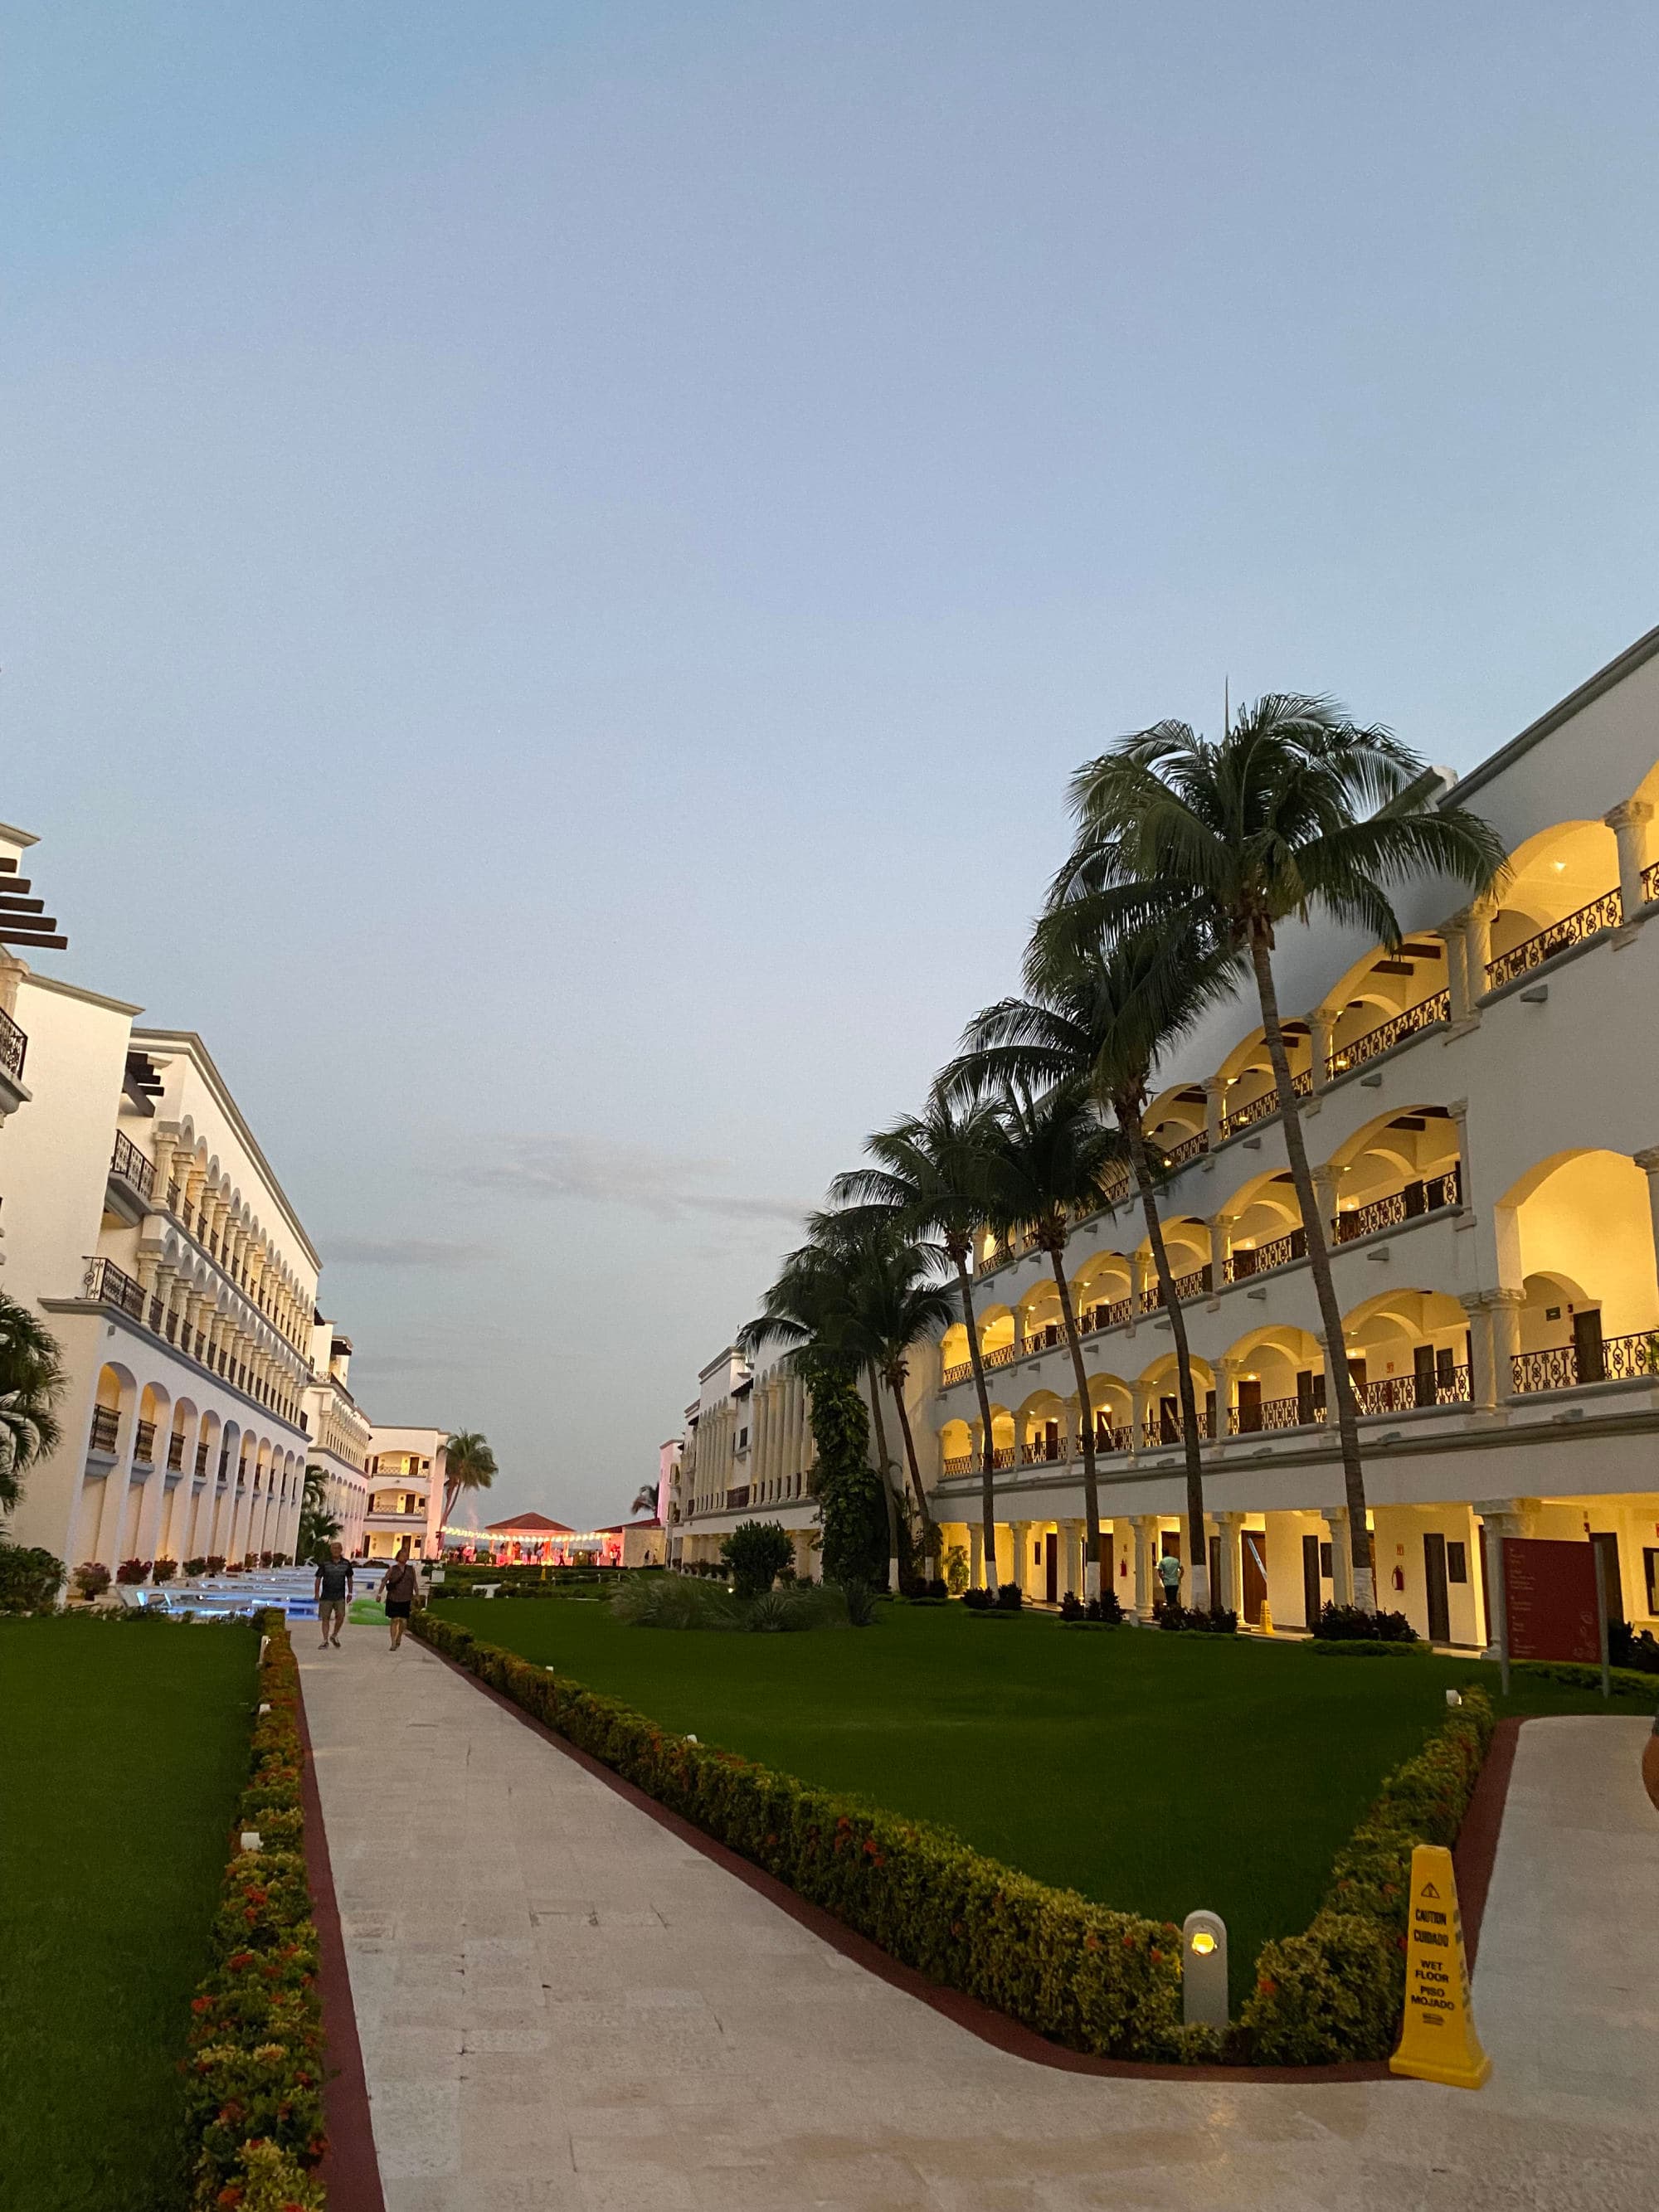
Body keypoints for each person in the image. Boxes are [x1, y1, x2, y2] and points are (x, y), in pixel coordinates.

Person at [314, 1542, 353, 1649]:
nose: (336, 1550)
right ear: (331, 1550)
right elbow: (318, 1579)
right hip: (326, 1595)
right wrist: (316, 1593)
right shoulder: (325, 1563)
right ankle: (325, 1640)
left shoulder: (346, 1563)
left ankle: (334, 1635)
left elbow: (349, 1578)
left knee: (341, 1616)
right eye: (333, 1548)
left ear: (341, 1550)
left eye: (338, 1548)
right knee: (325, 1618)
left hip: (339, 1595)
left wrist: (350, 1592)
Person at [382, 1539, 420, 1650]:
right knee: (394, 1620)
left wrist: (417, 1594)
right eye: (402, 1555)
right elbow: (385, 1580)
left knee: (403, 1621)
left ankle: (399, 1636)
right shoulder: (393, 1569)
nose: (404, 1557)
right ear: (398, 1557)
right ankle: (393, 1642)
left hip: (406, 1598)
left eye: (406, 1555)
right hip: (394, 1597)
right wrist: (379, 1593)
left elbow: (414, 1582)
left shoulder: (410, 1569)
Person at [1156, 1547, 1183, 1613]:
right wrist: (1179, 1578)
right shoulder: (1176, 1560)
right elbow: (1182, 1570)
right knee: (1174, 1598)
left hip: (1167, 1583)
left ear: (1163, 1553)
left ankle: (1171, 1612)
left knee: (1169, 1599)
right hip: (1175, 1582)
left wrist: (1163, 1579)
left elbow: (1160, 1572)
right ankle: (1176, 1611)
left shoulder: (1162, 1561)